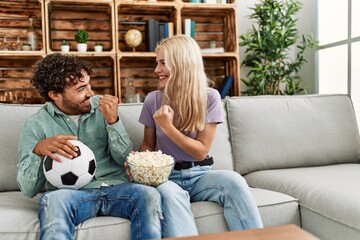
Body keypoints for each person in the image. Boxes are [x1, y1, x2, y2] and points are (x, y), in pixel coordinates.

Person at [17, 53, 162, 240]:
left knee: (148, 194)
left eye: (89, 85)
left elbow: (127, 160)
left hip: (116, 188)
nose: (91, 93)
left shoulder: (103, 108)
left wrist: (113, 122)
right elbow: (28, 190)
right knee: (52, 201)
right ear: (55, 94)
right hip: (71, 195)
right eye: (81, 89)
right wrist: (38, 150)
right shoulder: (36, 124)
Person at [138, 35, 263, 238]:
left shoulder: (210, 97)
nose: (156, 70)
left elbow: (201, 151)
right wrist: (143, 162)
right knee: (170, 193)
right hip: (167, 177)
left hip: (201, 175)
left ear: (181, 64)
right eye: (156, 63)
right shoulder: (153, 100)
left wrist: (169, 128)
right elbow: (147, 144)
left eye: (163, 63)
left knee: (234, 180)